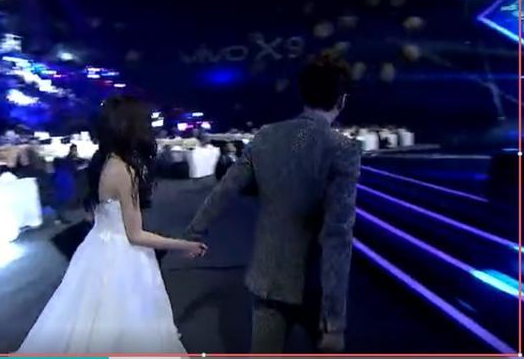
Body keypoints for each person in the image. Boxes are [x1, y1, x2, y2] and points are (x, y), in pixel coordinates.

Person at [184, 50, 361, 353]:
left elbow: (224, 191)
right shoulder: (343, 149)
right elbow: (337, 235)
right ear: (341, 100)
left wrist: (193, 233)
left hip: (267, 279)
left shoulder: (265, 136)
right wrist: (334, 320)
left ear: (302, 94)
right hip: (315, 285)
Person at [18, 95, 207, 354]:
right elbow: (134, 235)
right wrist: (184, 245)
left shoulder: (102, 162)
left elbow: (94, 216)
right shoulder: (124, 170)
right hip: (123, 258)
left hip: (95, 251)